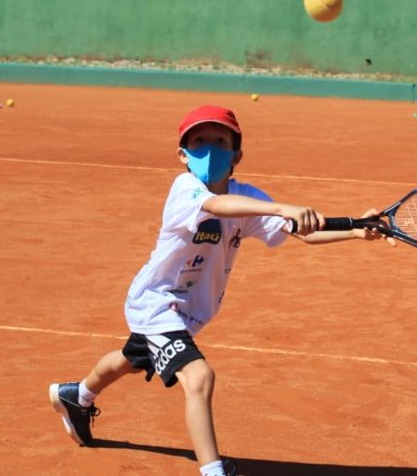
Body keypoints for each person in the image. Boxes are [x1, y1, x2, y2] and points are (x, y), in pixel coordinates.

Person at [49, 104, 394, 476]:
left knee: (133, 358)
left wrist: (355, 230)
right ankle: (213, 471)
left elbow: (299, 232)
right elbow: (219, 206)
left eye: (220, 140)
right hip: (157, 302)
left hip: (189, 310)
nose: (210, 148)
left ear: (237, 154)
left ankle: (76, 396)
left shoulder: (246, 195)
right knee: (199, 377)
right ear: (182, 154)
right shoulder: (186, 189)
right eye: (199, 141)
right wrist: (281, 207)